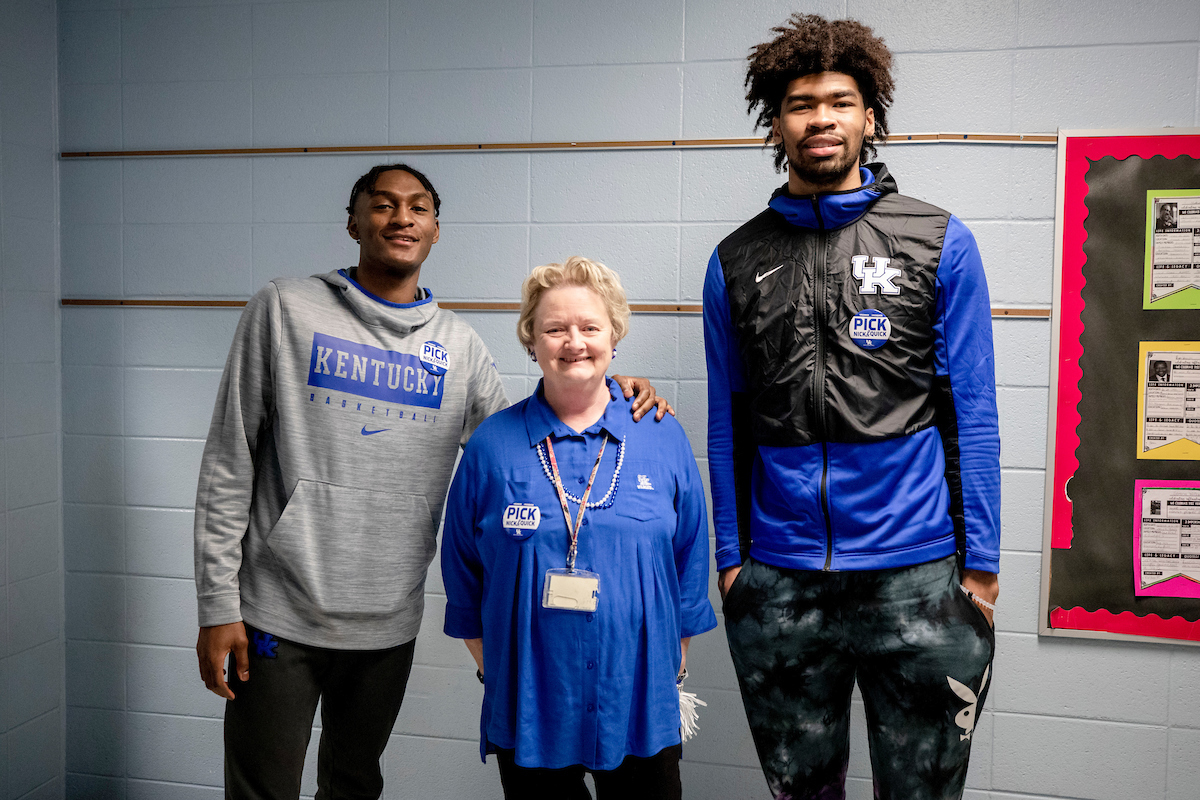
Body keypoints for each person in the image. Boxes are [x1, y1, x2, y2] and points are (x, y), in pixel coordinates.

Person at [193, 165, 670, 799]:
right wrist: (217, 605)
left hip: (386, 621)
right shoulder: (284, 309)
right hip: (275, 612)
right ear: (353, 223)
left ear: (436, 229)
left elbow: (523, 444)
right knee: (262, 791)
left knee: (354, 786)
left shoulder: (459, 346)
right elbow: (230, 460)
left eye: (418, 207)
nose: (402, 218)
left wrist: (607, 388)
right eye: (383, 205)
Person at [702, 15, 1000, 800]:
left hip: (918, 576)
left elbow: (972, 412)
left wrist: (981, 570)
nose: (821, 119)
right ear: (777, 122)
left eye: (840, 102)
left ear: (870, 116)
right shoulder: (735, 260)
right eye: (801, 104)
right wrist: (732, 564)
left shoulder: (938, 241)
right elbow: (728, 421)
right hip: (780, 579)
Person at [441, 256, 717, 800]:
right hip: (531, 704)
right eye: (555, 329)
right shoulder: (492, 447)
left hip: (639, 700)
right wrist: (495, 669)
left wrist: (674, 661)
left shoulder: (661, 436)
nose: (574, 342)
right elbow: (461, 571)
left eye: (590, 327)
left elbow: (689, 556)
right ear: (531, 339)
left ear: (614, 335)